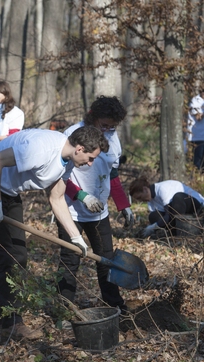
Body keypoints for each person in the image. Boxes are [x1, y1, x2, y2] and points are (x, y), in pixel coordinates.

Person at [0, 126, 109, 342]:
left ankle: (13, 318)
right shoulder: (41, 149)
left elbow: (56, 198)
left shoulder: (66, 161)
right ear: (79, 148)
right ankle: (10, 324)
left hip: (10, 192)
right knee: (3, 256)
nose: (90, 164)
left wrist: (76, 237)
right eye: (90, 158)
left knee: (19, 255)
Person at [57, 96, 134, 313]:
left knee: (106, 259)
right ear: (93, 117)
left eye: (112, 126)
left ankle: (114, 305)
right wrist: (81, 196)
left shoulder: (113, 138)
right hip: (70, 210)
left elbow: (113, 173)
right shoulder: (72, 134)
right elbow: (59, 174)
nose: (108, 130)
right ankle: (64, 309)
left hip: (99, 212)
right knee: (70, 260)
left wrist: (123, 205)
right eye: (104, 125)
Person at [129, 178, 204, 237]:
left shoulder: (162, 189)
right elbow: (161, 217)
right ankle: (173, 232)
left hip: (198, 207)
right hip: (179, 213)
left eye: (140, 197)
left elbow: (169, 215)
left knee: (177, 198)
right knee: (153, 216)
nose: (141, 201)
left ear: (145, 189)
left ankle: (179, 231)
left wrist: (153, 227)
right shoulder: (150, 201)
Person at [187, 87, 204, 169]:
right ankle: (193, 179)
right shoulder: (195, 101)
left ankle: (203, 180)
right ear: (203, 93)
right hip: (196, 137)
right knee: (197, 162)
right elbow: (198, 118)